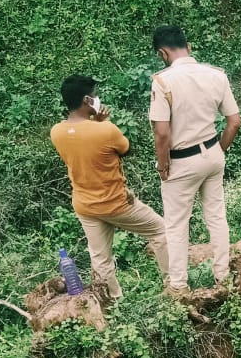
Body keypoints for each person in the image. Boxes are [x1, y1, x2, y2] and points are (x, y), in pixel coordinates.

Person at [51, 75, 169, 300]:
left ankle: (113, 301)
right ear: (87, 100)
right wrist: (102, 123)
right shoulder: (106, 130)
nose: (97, 98)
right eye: (94, 95)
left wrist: (95, 123)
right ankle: (172, 284)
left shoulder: (56, 132)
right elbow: (126, 150)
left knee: (100, 258)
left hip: (85, 205)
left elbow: (84, 146)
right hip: (116, 203)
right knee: (161, 230)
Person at [149, 26, 241, 291]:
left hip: (181, 160)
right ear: (188, 47)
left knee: (177, 224)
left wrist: (163, 164)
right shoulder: (216, 76)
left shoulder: (163, 82)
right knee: (216, 216)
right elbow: (234, 122)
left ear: (162, 53)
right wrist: (219, 150)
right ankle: (223, 277)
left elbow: (162, 134)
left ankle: (179, 286)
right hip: (212, 153)